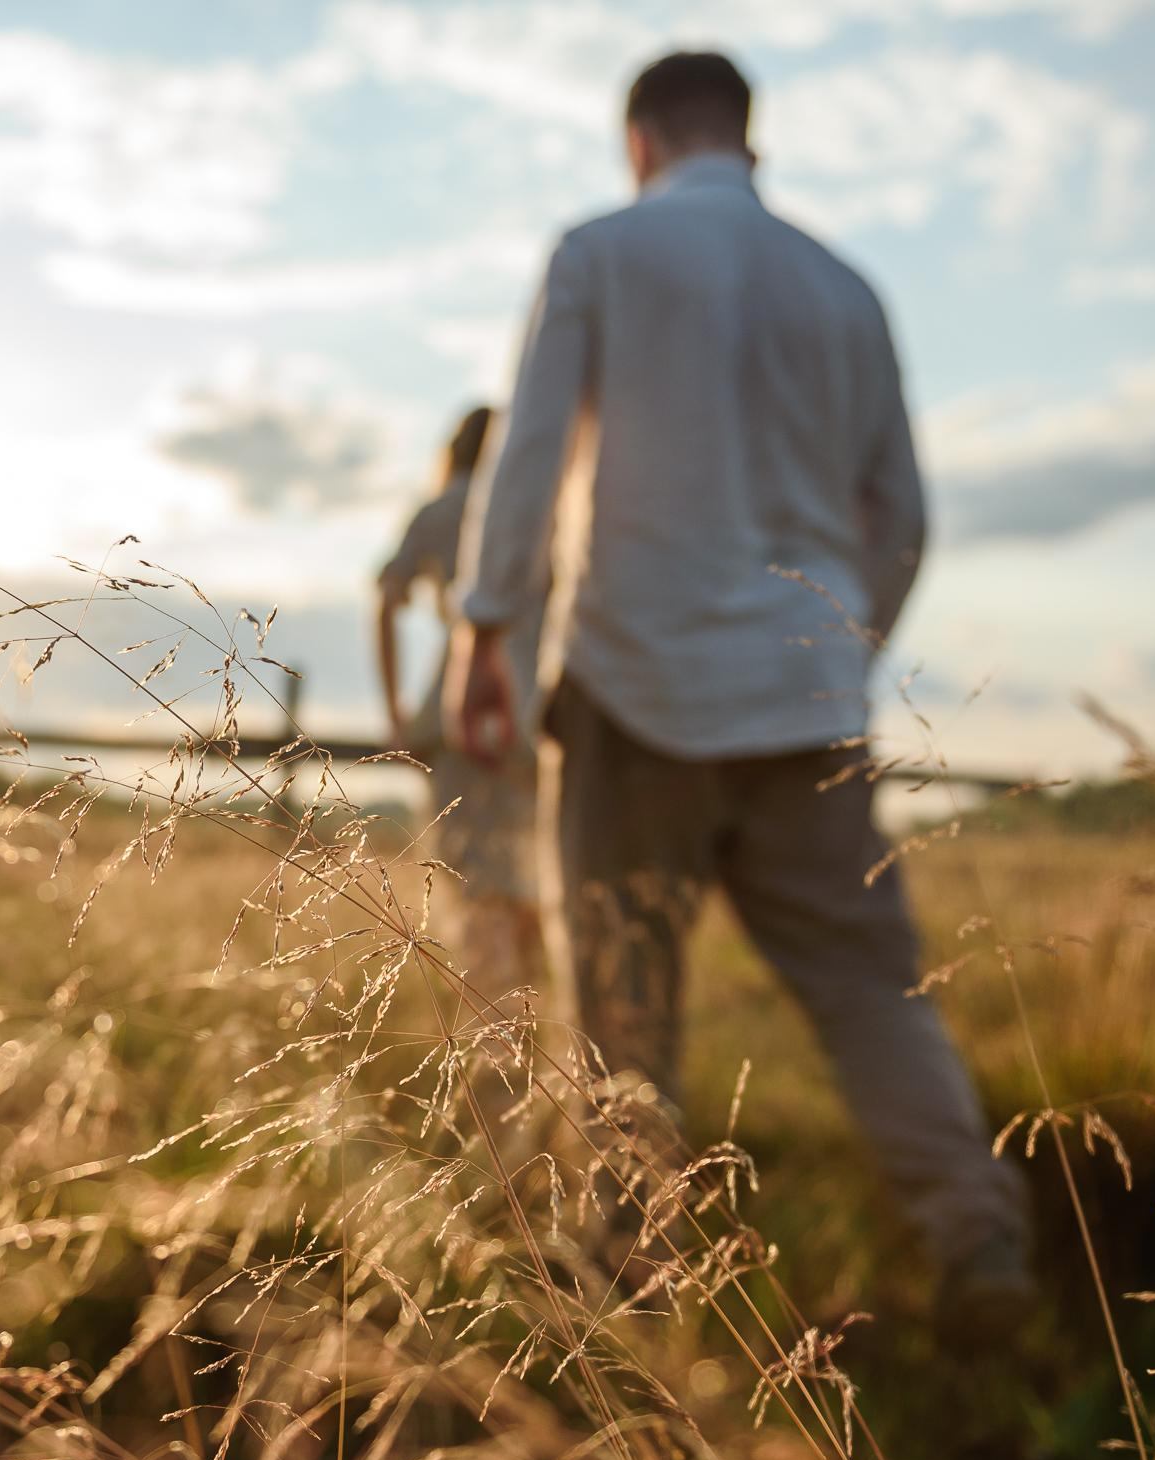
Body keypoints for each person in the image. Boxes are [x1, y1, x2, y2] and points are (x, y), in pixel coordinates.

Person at [451, 49, 1033, 1322]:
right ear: (746, 139)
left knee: (622, 999)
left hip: (630, 691)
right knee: (872, 990)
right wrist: (839, 649)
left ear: (639, 143)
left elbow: (531, 451)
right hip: (809, 706)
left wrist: (485, 631)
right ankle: (978, 1242)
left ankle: (628, 1280)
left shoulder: (601, 251)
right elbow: (904, 510)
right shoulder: (845, 289)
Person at [374, 404, 545, 993]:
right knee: (541, 889)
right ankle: (543, 1047)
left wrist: (396, 710)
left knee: (474, 889)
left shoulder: (443, 509)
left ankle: (495, 1053)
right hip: (546, 716)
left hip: (463, 714)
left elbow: (386, 598)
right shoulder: (547, 506)